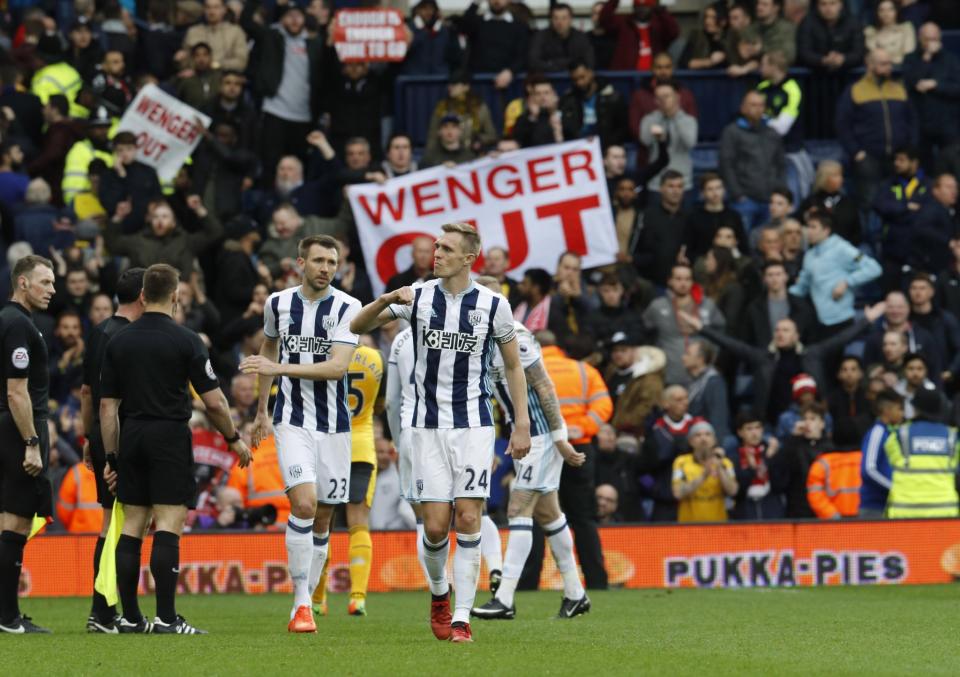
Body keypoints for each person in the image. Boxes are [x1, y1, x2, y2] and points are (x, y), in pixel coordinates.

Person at [350, 222, 532, 644]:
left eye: (447, 248)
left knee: (469, 516)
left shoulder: (492, 304)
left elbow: (512, 365)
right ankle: (439, 594)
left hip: (473, 425)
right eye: (436, 246)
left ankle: (463, 618)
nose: (438, 253)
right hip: (425, 427)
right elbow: (355, 325)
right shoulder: (417, 295)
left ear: (469, 258)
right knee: (434, 527)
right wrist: (386, 298)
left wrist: (519, 422)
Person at [99, 264, 251, 635]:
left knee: (132, 525)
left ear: (142, 295)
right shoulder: (186, 340)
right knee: (168, 523)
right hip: (169, 434)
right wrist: (233, 438)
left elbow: (107, 408)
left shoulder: (118, 340)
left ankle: (131, 618)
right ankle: (166, 618)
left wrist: (112, 458)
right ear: (176, 295)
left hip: (132, 433)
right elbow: (214, 403)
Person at [239, 235, 361, 634]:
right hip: (291, 420)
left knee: (324, 517)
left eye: (332, 261)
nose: (326, 268)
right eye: (319, 260)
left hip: (336, 425)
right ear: (300, 263)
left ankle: (309, 593)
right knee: (305, 505)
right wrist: (262, 412)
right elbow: (269, 350)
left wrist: (279, 371)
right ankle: (301, 603)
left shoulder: (349, 307)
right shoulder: (279, 303)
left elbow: (336, 368)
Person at [471, 277, 589, 621]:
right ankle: (576, 594)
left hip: (539, 436)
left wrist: (559, 438)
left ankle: (505, 598)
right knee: (549, 514)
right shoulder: (486, 339)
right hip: (527, 435)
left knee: (518, 509)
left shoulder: (516, 338)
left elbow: (544, 387)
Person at [684, 302, 887, 425]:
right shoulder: (763, 358)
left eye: (786, 330)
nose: (780, 333)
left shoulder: (812, 354)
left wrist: (866, 320)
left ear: (796, 335)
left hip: (812, 419)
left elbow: (841, 339)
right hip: (771, 423)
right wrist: (702, 328)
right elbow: (733, 344)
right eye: (778, 330)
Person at [78, 267, 144, 632]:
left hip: (103, 435)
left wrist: (91, 439)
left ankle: (101, 610)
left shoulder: (100, 332)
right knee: (120, 522)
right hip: (125, 435)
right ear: (143, 296)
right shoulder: (134, 336)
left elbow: (87, 392)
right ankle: (104, 611)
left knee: (112, 519)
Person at [0, 255, 56, 634]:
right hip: (18, 430)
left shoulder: (9, 321)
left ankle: (8, 613)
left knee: (8, 521)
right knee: (16, 522)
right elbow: (17, 392)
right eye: (45, 282)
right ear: (23, 283)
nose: (52, 290)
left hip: (7, 427)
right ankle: (8, 618)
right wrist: (32, 442)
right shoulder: (18, 325)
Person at [311, 339, 384, 617]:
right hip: (361, 446)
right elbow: (380, 405)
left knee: (322, 523)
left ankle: (318, 599)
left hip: (329, 443)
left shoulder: (325, 355)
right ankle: (358, 598)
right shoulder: (375, 357)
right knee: (359, 523)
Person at [537, 330, 611, 590]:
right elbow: (604, 406)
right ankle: (597, 581)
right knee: (583, 518)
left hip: (542, 448)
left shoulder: (527, 368)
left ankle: (526, 583)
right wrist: (583, 427)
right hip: (578, 447)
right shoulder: (583, 370)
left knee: (536, 518)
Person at [240, 0, 325, 189]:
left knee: (299, 166)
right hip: (275, 112)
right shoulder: (272, 37)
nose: (294, 20)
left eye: (298, 16)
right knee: (271, 164)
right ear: (282, 19)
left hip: (304, 116)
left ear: (305, 19)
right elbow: (246, 21)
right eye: (289, 16)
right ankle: (269, 208)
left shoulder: (315, 43)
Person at [835, 49, 918, 210]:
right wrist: (856, 152)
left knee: (900, 201)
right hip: (869, 157)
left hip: (898, 156)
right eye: (883, 64)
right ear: (870, 64)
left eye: (889, 63)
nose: (888, 68)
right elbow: (842, 124)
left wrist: (911, 149)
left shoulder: (899, 89)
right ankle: (871, 236)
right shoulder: (855, 90)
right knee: (869, 202)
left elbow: (912, 120)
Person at [789, 211, 881, 335]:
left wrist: (846, 282)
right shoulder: (809, 255)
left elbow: (874, 268)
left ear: (826, 230)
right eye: (807, 226)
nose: (808, 231)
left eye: (813, 227)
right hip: (818, 321)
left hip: (841, 319)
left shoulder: (841, 248)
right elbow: (803, 286)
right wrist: (783, 294)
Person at [643, 264, 725, 387]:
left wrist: (711, 356)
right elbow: (643, 331)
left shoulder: (707, 305)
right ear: (669, 281)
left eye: (687, 279)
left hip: (701, 378)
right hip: (669, 377)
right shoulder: (657, 306)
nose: (683, 283)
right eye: (678, 279)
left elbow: (721, 332)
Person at [883, 387, 960, 518]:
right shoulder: (953, 437)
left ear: (915, 408)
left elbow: (889, 463)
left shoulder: (898, 435)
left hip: (904, 512)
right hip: (944, 511)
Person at [719, 90, 787, 231]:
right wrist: (738, 194)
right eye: (753, 105)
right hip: (745, 200)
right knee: (744, 240)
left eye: (761, 105)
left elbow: (781, 163)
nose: (758, 108)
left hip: (770, 201)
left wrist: (780, 188)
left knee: (769, 241)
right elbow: (726, 164)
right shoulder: (732, 132)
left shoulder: (772, 132)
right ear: (743, 108)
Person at [903, 23, 960, 168]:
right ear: (919, 39)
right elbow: (910, 82)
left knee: (951, 165)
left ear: (940, 39)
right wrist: (926, 58)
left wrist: (936, 85)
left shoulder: (951, 60)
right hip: (921, 124)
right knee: (924, 166)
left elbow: (957, 88)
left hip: (947, 124)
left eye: (934, 39)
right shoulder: (910, 59)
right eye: (927, 39)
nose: (931, 43)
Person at [97, 131, 163, 234]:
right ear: (115, 152)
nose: (125, 153)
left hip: (147, 228)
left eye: (129, 149)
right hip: (120, 229)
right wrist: (121, 177)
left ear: (136, 149)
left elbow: (157, 198)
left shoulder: (148, 172)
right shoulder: (108, 175)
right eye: (120, 150)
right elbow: (108, 203)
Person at [672, 421, 737, 522]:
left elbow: (733, 491)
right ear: (691, 441)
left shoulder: (725, 463)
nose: (703, 438)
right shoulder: (681, 462)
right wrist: (703, 476)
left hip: (718, 526)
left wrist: (719, 468)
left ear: (714, 440)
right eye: (698, 435)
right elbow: (678, 493)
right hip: (689, 526)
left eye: (708, 434)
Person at [632, 171, 690, 285]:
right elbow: (636, 250)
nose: (675, 191)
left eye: (679, 186)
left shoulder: (690, 218)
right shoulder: (646, 216)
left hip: (680, 282)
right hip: (649, 281)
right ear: (661, 188)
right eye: (671, 186)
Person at [639, 80, 698, 192]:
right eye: (659, 97)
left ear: (677, 97)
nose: (663, 100)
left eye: (666, 96)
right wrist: (658, 118)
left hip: (682, 182)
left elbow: (690, 143)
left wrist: (675, 116)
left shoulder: (688, 120)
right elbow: (644, 141)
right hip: (656, 182)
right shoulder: (649, 119)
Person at [743, 260, 816, 348]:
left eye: (778, 274)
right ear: (764, 279)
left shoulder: (801, 306)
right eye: (770, 275)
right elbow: (747, 338)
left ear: (786, 277)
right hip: (764, 356)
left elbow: (809, 335)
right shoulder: (754, 308)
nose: (774, 279)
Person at [459, 0, 529, 90]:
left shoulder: (519, 25)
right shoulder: (478, 22)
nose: (497, 1)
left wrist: (511, 71)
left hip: (511, 83)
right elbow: (463, 28)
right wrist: (475, 3)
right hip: (479, 83)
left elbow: (522, 54)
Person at [559, 61, 627, 150]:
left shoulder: (612, 97)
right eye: (575, 80)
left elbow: (622, 128)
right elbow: (567, 130)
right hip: (578, 148)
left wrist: (608, 146)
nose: (579, 83)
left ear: (591, 73)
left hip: (606, 148)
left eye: (582, 77)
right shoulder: (568, 99)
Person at [731, 411, 784, 520]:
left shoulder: (773, 452)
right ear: (740, 432)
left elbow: (780, 485)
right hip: (745, 513)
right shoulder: (734, 456)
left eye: (757, 428)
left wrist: (768, 460)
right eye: (749, 429)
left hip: (772, 510)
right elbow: (738, 492)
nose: (754, 433)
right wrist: (751, 469)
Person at [598, 0, 679, 72]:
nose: (642, 10)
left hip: (653, 76)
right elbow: (604, 20)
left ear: (651, 8)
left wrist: (662, 12)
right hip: (627, 75)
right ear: (634, 8)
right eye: (638, 7)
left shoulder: (658, 26)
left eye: (645, 7)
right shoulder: (624, 23)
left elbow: (674, 32)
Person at [859, 388, 904, 518]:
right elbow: (868, 470)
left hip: (889, 505)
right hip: (873, 507)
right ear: (887, 410)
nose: (902, 413)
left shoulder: (890, 433)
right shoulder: (877, 432)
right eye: (899, 409)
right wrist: (894, 488)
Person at [684, 174, 747, 262]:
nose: (715, 193)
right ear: (703, 192)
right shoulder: (694, 218)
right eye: (710, 189)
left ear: (724, 190)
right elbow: (689, 250)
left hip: (731, 265)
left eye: (718, 188)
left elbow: (744, 247)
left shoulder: (734, 216)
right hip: (702, 266)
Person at [798, 160, 861, 246]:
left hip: (844, 249)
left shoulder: (848, 203)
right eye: (835, 175)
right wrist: (807, 216)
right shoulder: (811, 202)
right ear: (824, 178)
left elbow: (857, 233)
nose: (841, 179)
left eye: (841, 175)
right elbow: (798, 223)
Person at [683, 338, 730, 442]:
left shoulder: (714, 382)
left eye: (688, 354)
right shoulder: (688, 381)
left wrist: (716, 446)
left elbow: (718, 417)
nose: (683, 358)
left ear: (700, 359)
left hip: (706, 440)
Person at [183, 0, 249, 72]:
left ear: (224, 9)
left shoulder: (236, 32)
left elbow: (241, 63)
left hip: (225, 77)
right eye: (208, 7)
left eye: (216, 7)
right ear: (204, 10)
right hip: (198, 77)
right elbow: (185, 60)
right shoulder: (193, 32)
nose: (211, 11)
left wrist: (216, 64)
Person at [528, 3, 594, 73]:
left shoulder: (581, 37)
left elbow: (589, 62)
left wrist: (553, 63)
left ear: (570, 19)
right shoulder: (540, 36)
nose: (559, 22)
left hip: (577, 80)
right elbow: (533, 62)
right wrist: (569, 64)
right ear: (551, 20)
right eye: (556, 18)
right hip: (547, 79)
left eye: (564, 18)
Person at [863, 0, 916, 65]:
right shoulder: (870, 31)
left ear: (896, 11)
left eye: (890, 9)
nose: (886, 13)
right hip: (878, 68)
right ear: (877, 13)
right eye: (881, 10)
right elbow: (873, 55)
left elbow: (909, 53)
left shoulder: (906, 28)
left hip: (901, 67)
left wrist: (887, 60)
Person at [680, 3, 728, 70]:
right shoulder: (697, 37)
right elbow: (684, 63)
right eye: (706, 17)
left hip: (726, 79)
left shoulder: (730, 38)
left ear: (723, 21)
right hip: (700, 78)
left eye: (713, 17)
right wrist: (710, 62)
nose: (707, 21)